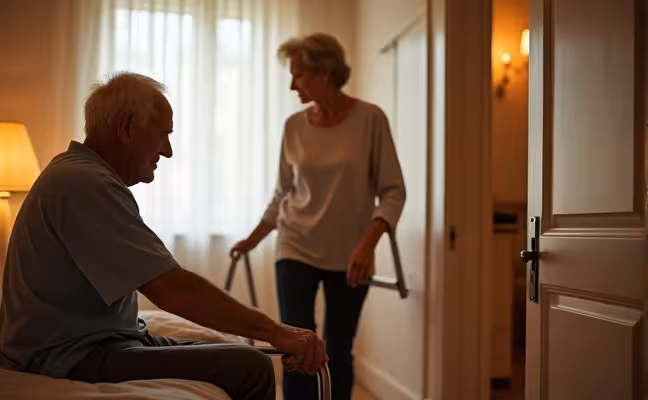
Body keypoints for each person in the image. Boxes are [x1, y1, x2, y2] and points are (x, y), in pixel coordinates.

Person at [0, 72, 327, 400]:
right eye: (163, 135)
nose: (168, 151)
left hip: (98, 341)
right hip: (65, 357)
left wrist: (274, 333)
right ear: (127, 129)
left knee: (238, 352)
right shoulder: (85, 184)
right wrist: (277, 332)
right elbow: (172, 289)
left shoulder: (79, 174)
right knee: (250, 366)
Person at [231, 33, 406, 400]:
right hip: (295, 246)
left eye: (299, 75)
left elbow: (392, 190)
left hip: (351, 256)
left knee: (338, 350)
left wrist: (366, 244)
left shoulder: (370, 119)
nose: (293, 84)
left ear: (324, 72)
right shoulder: (293, 126)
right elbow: (283, 193)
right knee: (296, 348)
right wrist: (254, 238)